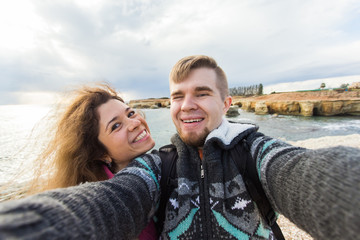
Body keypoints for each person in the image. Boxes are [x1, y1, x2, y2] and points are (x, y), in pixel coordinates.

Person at [0, 56, 359, 240]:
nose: (186, 105)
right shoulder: (157, 167)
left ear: (227, 102)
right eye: (177, 96)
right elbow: (111, 200)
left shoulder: (254, 150)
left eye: (201, 93)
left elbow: (300, 172)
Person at [1, 83, 158, 239]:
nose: (135, 123)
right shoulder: (106, 197)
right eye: (116, 126)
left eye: (130, 114)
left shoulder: (158, 165)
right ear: (101, 153)